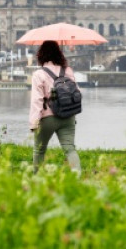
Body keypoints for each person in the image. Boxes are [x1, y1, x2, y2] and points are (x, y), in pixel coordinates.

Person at [28, 40, 81, 174]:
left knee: (39, 150)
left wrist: (34, 123)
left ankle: (37, 179)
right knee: (70, 149)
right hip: (68, 116)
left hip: (48, 118)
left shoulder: (39, 74)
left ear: (41, 55)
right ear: (59, 54)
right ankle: (77, 177)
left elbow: (37, 100)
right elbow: (76, 92)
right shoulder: (68, 71)